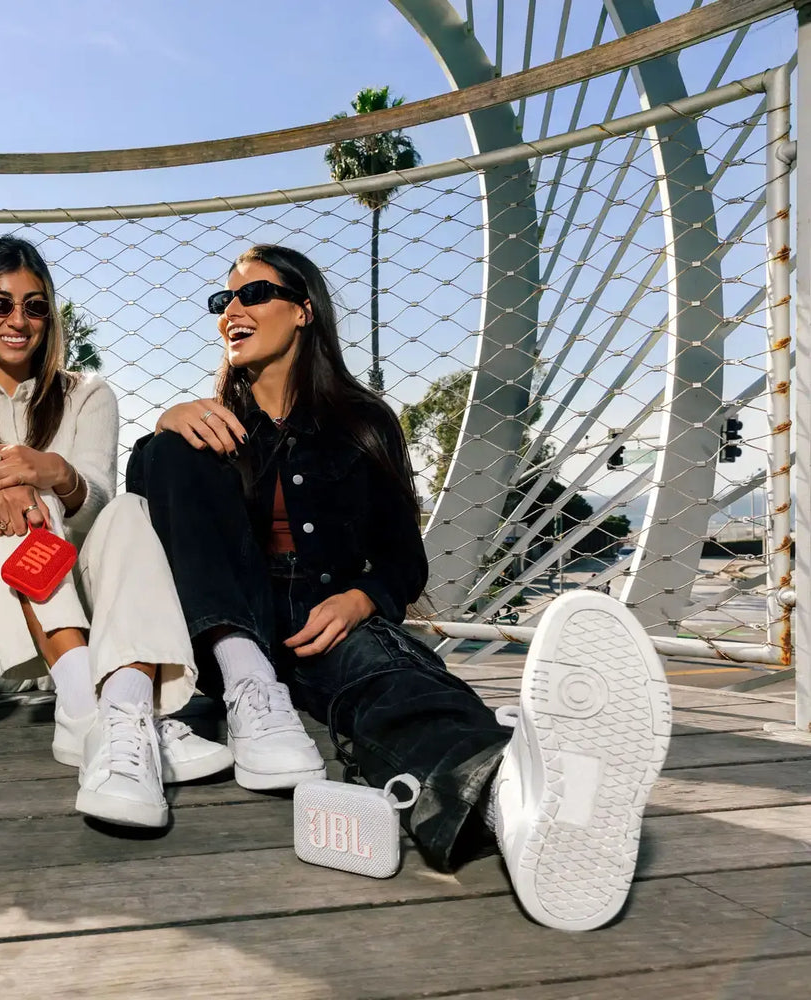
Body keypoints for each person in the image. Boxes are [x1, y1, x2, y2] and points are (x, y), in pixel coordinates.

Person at [126, 243, 671, 931]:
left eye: (253, 293)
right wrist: (162, 429)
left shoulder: (363, 422)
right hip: (230, 627)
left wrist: (362, 599)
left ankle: (515, 805)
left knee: (392, 684)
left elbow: (402, 560)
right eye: (222, 300)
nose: (232, 309)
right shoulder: (205, 429)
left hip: (325, 613)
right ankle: (519, 795)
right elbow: (155, 527)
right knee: (170, 451)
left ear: (303, 310)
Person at [0, 235, 234, 829]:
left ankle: (112, 711)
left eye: (34, 306)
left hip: (81, 633)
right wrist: (0, 473)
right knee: (9, 500)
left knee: (128, 510)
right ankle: (99, 713)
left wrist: (55, 471)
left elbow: (98, 502)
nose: (18, 320)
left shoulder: (88, 394)